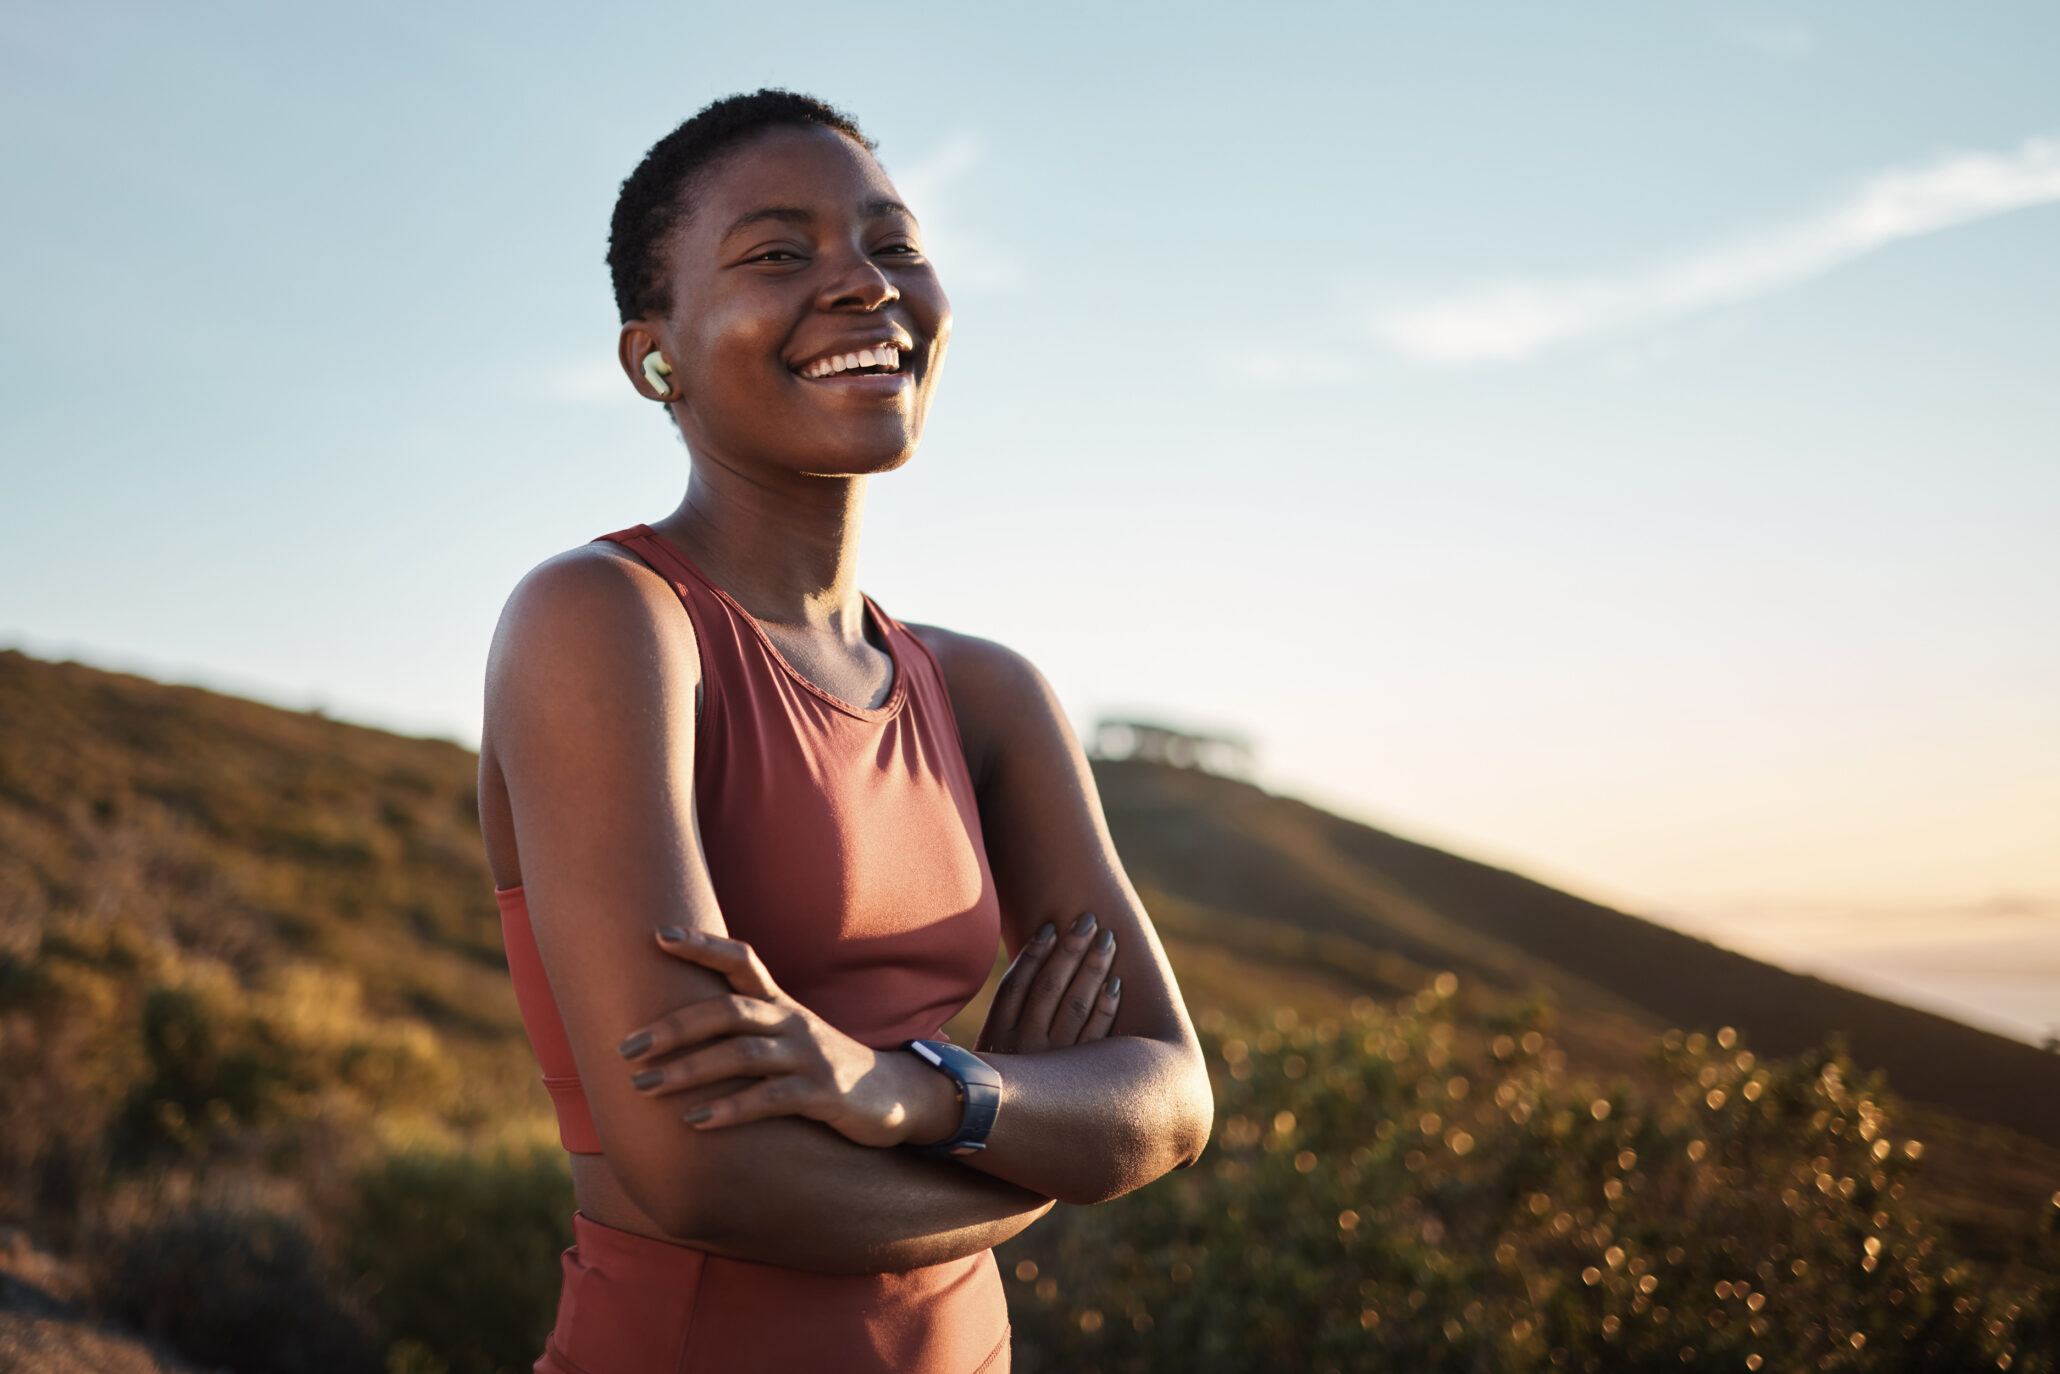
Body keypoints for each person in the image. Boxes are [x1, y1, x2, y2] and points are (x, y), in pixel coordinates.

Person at [476, 89, 1213, 1374]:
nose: (863, 285)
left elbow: (1169, 1094)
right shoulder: (603, 621)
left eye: (893, 244)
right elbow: (703, 1175)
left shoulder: (988, 694)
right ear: (657, 357)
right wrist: (1039, 1162)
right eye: (778, 253)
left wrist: (918, 1093)